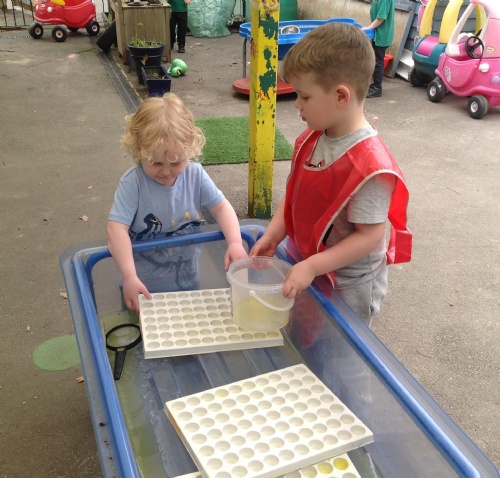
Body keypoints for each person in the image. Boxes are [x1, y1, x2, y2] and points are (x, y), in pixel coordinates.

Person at [249, 23, 412, 326]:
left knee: (338, 344)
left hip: (348, 284)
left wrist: (313, 266)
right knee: (308, 330)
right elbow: (295, 197)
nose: (296, 104)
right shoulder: (314, 138)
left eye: (304, 96)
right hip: (311, 263)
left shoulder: (369, 168)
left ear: (340, 96)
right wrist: (273, 235)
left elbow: (369, 237)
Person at [108, 93, 247, 313]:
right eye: (156, 163)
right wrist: (129, 276)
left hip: (186, 281)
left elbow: (221, 207)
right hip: (141, 286)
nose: (165, 171)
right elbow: (116, 229)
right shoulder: (133, 183)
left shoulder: (195, 174)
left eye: (175, 162)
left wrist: (235, 242)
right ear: (139, 150)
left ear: (189, 149)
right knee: (139, 332)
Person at [364, 0, 395, 97]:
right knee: (375, 59)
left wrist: (368, 28)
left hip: (382, 35)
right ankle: (374, 85)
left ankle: (377, 88)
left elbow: (381, 18)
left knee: (378, 61)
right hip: (377, 33)